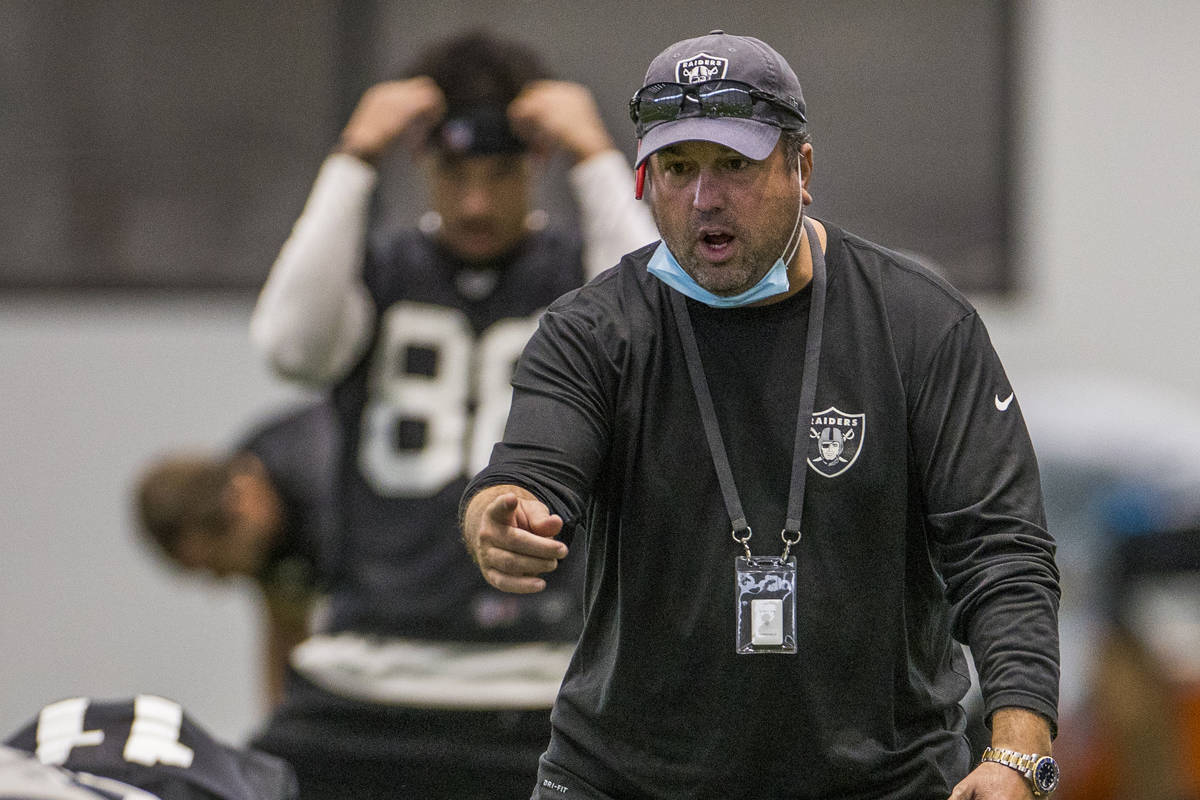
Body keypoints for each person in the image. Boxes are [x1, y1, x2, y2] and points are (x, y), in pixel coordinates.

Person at [461, 30, 1062, 799]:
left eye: (734, 166)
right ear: (645, 181)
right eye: (678, 169)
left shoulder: (919, 324)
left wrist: (1017, 748)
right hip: (623, 780)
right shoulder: (593, 330)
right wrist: (499, 516)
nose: (704, 199)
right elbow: (527, 472)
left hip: (884, 781)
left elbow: (1001, 551)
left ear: (801, 168)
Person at [247, 29, 658, 800]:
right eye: (452, 171)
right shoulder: (379, 273)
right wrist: (352, 156)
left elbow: (660, 341)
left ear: (534, 164)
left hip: (543, 679)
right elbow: (289, 347)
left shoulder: (583, 276)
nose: (474, 200)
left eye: (499, 173)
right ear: (421, 163)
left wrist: (597, 155)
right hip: (370, 672)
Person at [133, 400, 338, 709]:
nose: (219, 583)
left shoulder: (329, 485)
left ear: (240, 504)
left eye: (214, 566)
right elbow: (286, 630)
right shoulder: (263, 531)